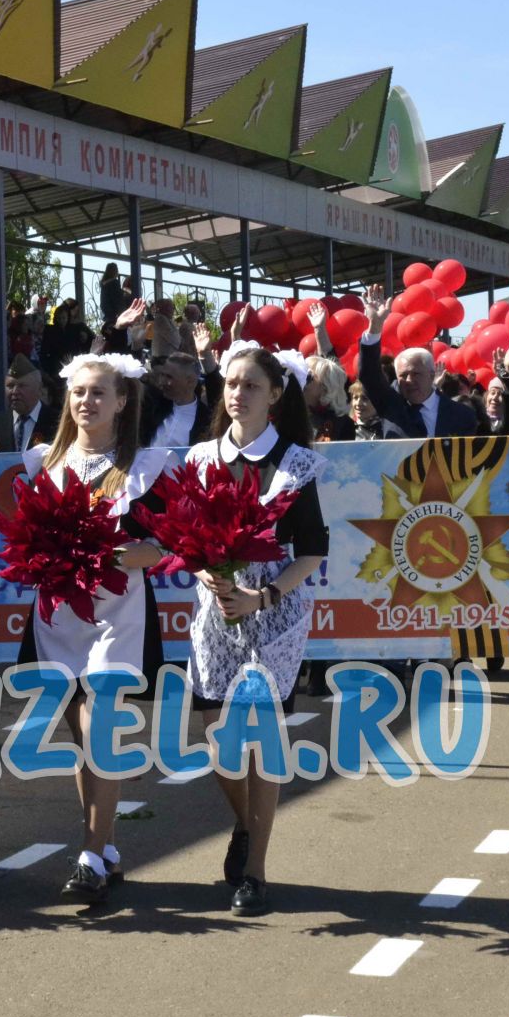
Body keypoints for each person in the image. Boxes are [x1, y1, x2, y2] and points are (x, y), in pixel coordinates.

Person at [182, 340, 329, 917]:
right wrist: (213, 577)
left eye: (250, 385)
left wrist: (262, 595)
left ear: (275, 396)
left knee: (261, 740)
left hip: (275, 614)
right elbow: (185, 536)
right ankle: (247, 825)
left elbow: (313, 549)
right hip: (215, 609)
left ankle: (256, 871)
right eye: (231, 384)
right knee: (218, 736)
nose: (237, 394)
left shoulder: (296, 463)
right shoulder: (200, 458)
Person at [19, 353, 172, 905]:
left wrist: (101, 551)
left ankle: (87, 854)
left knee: (101, 726)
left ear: (122, 401)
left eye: (99, 393)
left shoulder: (146, 467)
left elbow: (161, 550)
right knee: (81, 740)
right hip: (58, 614)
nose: (87, 402)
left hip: (118, 614)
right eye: (79, 392)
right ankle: (105, 848)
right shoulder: (44, 461)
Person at [358, 284, 479, 438]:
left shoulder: (462, 415)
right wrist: (374, 327)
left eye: (416, 374)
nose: (409, 380)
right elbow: (369, 374)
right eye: (403, 375)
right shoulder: (391, 405)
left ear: (431, 374)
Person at [0, 355, 56, 453]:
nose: (15, 391)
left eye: (22, 386)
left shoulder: (57, 423)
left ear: (39, 389)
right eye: (10, 386)